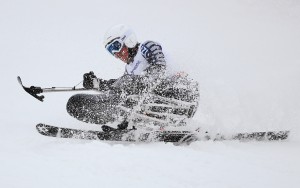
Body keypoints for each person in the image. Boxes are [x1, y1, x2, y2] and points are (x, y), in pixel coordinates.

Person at [66, 24, 199, 131]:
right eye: (110, 51)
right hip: (162, 108)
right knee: (124, 88)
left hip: (182, 95)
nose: (116, 54)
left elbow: (159, 67)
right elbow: (120, 87)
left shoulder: (147, 47)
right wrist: (97, 84)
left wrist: (138, 84)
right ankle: (119, 117)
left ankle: (119, 114)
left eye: (116, 46)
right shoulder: (129, 70)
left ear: (128, 40)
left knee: (128, 85)